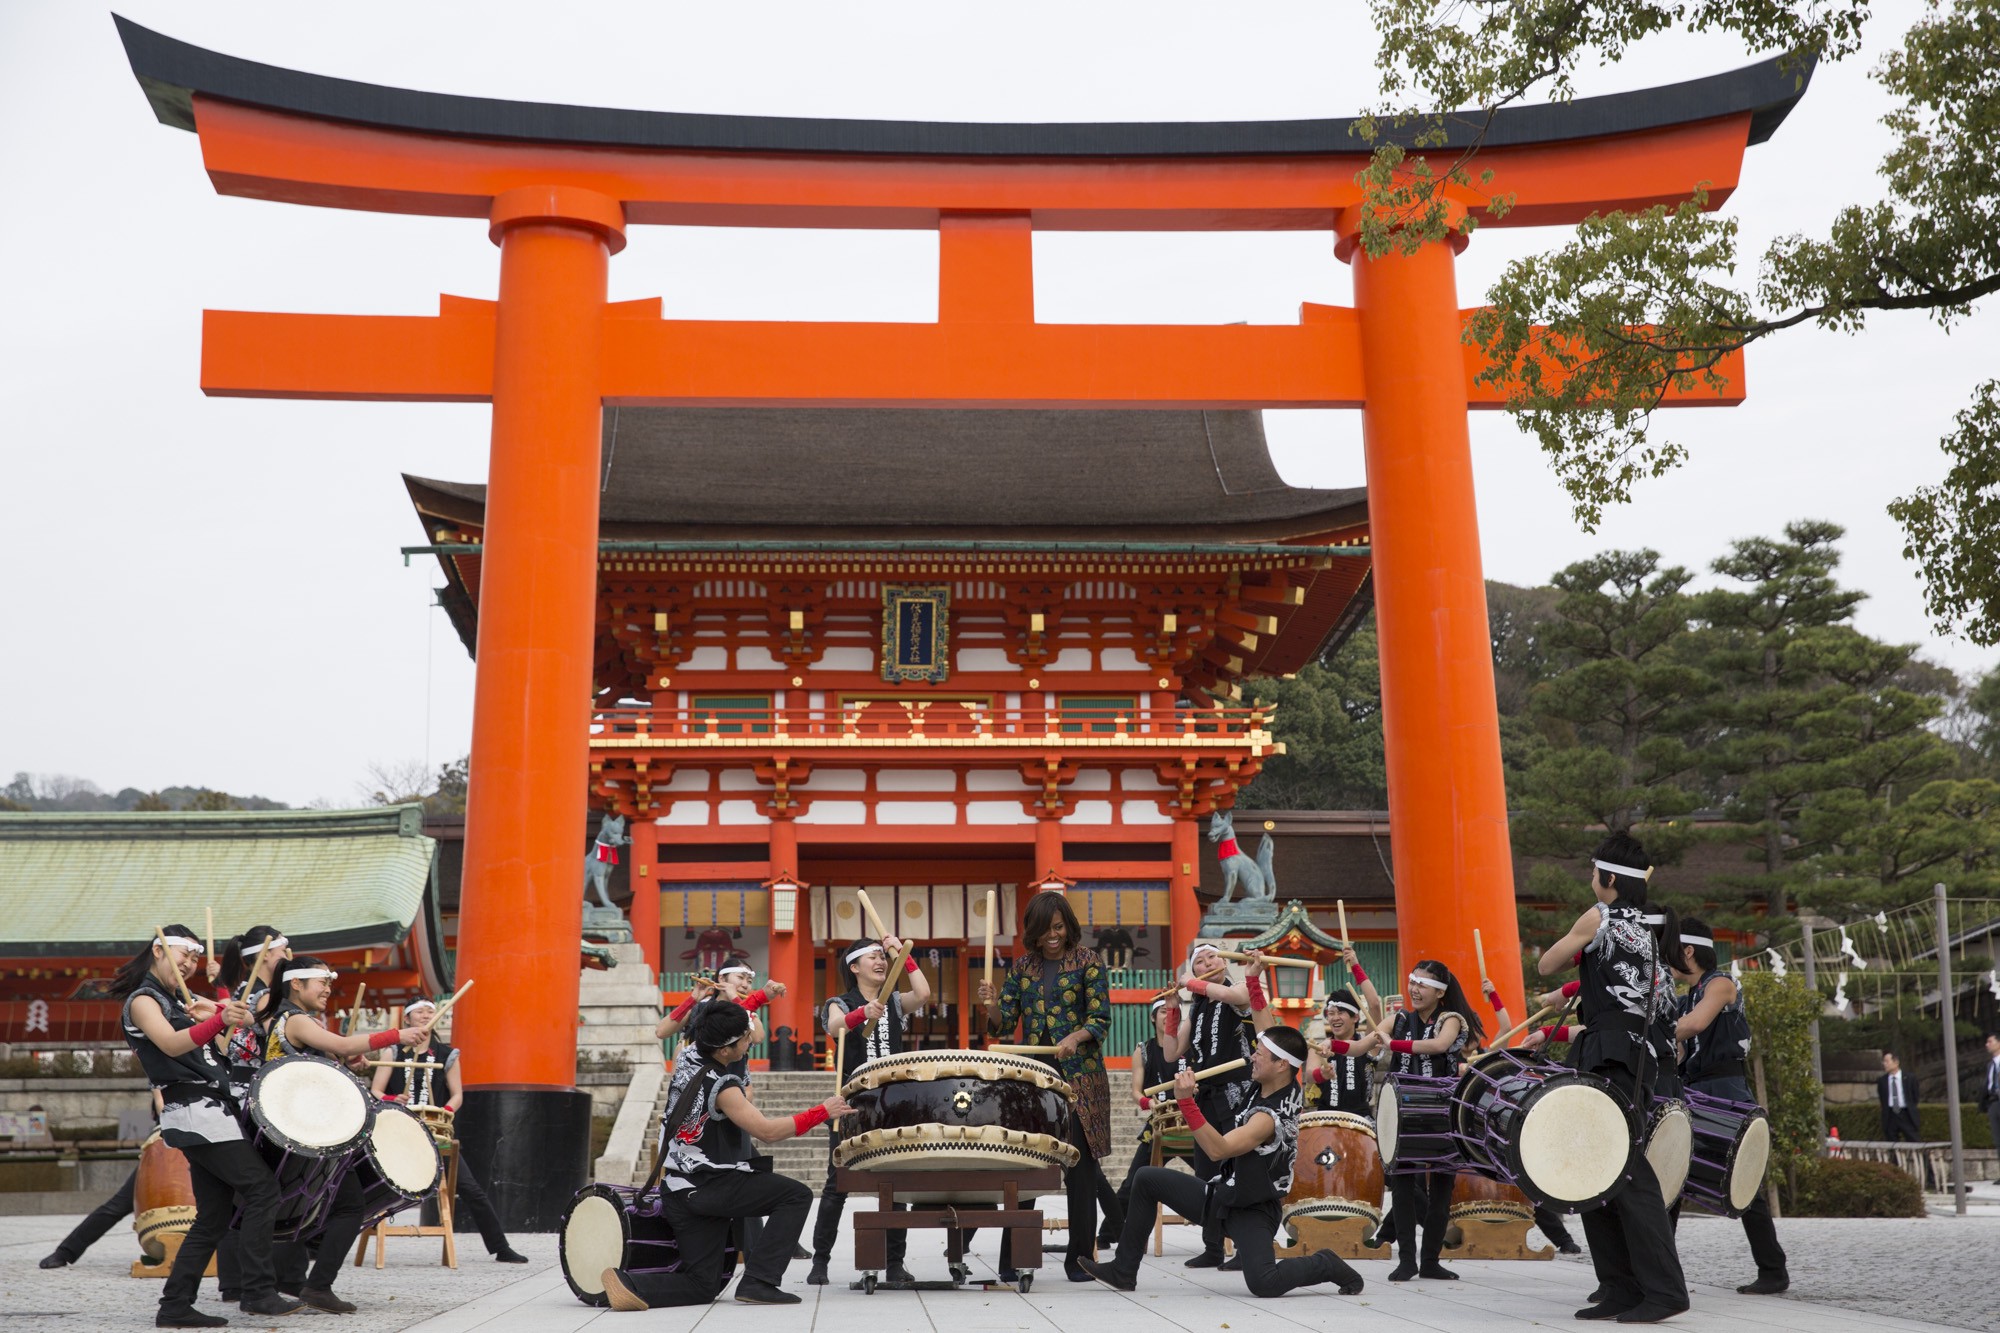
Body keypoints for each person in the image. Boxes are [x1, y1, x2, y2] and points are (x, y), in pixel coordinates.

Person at [1077, 1020, 1364, 1300]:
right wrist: (1252, 979)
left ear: (1281, 1065)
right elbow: (1266, 1023)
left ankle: (1325, 1262)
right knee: (1147, 1178)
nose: (1252, 1057)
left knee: (1265, 1283)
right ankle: (1123, 1270)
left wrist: (1186, 1102)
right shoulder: (1268, 1082)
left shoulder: (1268, 1117)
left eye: (1259, 1055)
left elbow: (1219, 1150)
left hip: (1253, 1209)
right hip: (1223, 1195)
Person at [599, 1002, 850, 1310]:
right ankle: (759, 1281)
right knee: (795, 1195)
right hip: (711, 1187)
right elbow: (767, 1132)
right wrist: (822, 1111)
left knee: (703, 1285)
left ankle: (627, 1284)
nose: (749, 1043)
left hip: (679, 1189)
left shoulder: (686, 1057)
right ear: (725, 1050)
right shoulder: (724, 1087)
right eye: (744, 1039)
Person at [111, 925, 299, 1327]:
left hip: (210, 1111)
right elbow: (171, 1045)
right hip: (196, 1111)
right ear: (159, 951)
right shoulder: (144, 1000)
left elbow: (245, 1020)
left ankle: (175, 1305)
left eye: (195, 958)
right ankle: (258, 1292)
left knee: (213, 1217)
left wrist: (224, 1013)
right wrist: (216, 1021)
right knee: (262, 1189)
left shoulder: (179, 999)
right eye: (183, 954)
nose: (189, 963)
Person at [1537, 834, 1689, 1324]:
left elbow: (1546, 963)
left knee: (1626, 1171)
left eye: (1592, 873)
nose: (1590, 881)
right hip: (1642, 1056)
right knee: (1597, 1167)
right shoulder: (1649, 933)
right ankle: (1621, 1286)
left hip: (1607, 1050)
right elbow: (1662, 1004)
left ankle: (1664, 1289)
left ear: (1606, 878)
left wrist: (1576, 973)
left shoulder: (1599, 917)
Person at [261, 957, 427, 1313]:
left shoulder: (286, 1019)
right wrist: (396, 1034)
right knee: (348, 1206)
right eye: (321, 981)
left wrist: (341, 1059)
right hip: (311, 1130)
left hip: (303, 1128)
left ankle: (292, 1280)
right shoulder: (295, 1019)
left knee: (309, 1207)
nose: (327, 988)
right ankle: (317, 1286)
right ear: (296, 984)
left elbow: (330, 1055)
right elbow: (344, 1043)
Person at [977, 890, 1112, 1282]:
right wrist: (991, 1005)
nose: (1052, 936)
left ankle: (1080, 1261)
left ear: (1068, 925)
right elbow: (1003, 1025)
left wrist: (1078, 1035)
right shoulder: (1023, 968)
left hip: (1080, 1075)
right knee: (1027, 1163)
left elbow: (1101, 1017)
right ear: (1032, 933)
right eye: (1044, 930)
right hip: (1035, 1078)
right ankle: (1013, 1258)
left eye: (1058, 927)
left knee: (1081, 1170)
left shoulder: (1088, 962)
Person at [1666, 914, 1790, 1295]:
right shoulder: (1689, 993)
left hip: (1726, 1090)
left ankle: (1773, 1270)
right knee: (1670, 1177)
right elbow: (1683, 1043)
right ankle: (1658, 1272)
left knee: (1744, 1183)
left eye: (1671, 951)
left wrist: (1651, 1032)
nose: (1667, 959)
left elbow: (1694, 1026)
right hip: (1696, 1088)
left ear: (1688, 951)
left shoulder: (1720, 983)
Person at [808, 935, 930, 1287]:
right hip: (852, 1103)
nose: (880, 961)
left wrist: (901, 954)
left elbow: (922, 994)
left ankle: (895, 1262)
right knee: (837, 1184)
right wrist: (862, 1013)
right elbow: (835, 1026)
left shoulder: (892, 1001)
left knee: (895, 1182)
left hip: (893, 1101)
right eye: (873, 956)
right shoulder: (839, 1002)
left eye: (882, 957)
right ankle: (821, 1260)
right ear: (854, 966)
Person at [369, 997, 527, 1263]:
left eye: (430, 1011)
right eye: (419, 1011)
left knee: (470, 1188)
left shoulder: (447, 1055)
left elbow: (457, 1095)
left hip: (433, 1131)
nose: (425, 1015)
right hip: (397, 1128)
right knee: (371, 1184)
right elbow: (376, 1090)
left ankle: (500, 1246)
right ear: (406, 1019)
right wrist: (391, 1100)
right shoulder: (394, 1052)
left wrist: (444, 1114)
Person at [1374, 958, 1482, 1282]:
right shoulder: (1400, 1019)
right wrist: (1335, 1046)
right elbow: (1365, 1043)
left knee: (1441, 1190)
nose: (1414, 989)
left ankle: (1431, 1260)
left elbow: (1439, 1045)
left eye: (1423, 985)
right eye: (1413, 982)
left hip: (1441, 1110)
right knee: (1403, 1187)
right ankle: (1407, 1260)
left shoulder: (1450, 1018)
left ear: (1439, 993)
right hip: (1404, 1111)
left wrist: (1392, 1043)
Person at [1156, 940, 1256, 1270]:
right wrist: (1173, 1008)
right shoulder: (1196, 1008)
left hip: (1237, 1093)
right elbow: (1171, 1052)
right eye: (1200, 960)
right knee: (1207, 1173)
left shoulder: (1237, 988)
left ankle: (1246, 1246)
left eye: (1213, 956)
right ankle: (1212, 1246)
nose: (1209, 961)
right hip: (1207, 1095)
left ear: (1224, 962)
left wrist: (1191, 983)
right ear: (1194, 967)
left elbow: (1238, 999)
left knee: (1241, 1170)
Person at [39, 1090, 163, 1269]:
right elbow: (161, 1106)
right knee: (118, 1205)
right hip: (162, 1147)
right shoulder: (164, 1071)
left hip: (203, 1146)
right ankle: (65, 1251)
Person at [1109, 997, 1189, 1243]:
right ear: (1154, 1018)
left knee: (1215, 1176)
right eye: (1162, 1012)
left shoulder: (1189, 1047)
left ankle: (1218, 1240)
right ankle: (1108, 1234)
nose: (1167, 1016)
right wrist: (1148, 1102)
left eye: (1171, 1011)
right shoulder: (1143, 1050)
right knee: (1132, 1183)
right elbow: (1136, 1091)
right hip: (1158, 1123)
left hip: (1190, 1123)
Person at [1878, 1052, 1922, 1142]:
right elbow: (1882, 1098)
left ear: (1896, 1062)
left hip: (1905, 1113)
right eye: (1883, 1062)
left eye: (1887, 1061)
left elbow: (1915, 1096)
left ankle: (1920, 1156)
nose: (1884, 1064)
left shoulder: (1910, 1078)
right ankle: (1895, 1156)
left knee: (1914, 1140)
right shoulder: (1882, 1081)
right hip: (1890, 1114)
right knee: (1891, 1142)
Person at [1976, 1033, 1999, 1166]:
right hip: (1993, 1102)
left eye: (1990, 1042)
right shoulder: (1990, 1065)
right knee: (1997, 1139)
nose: (1987, 1045)